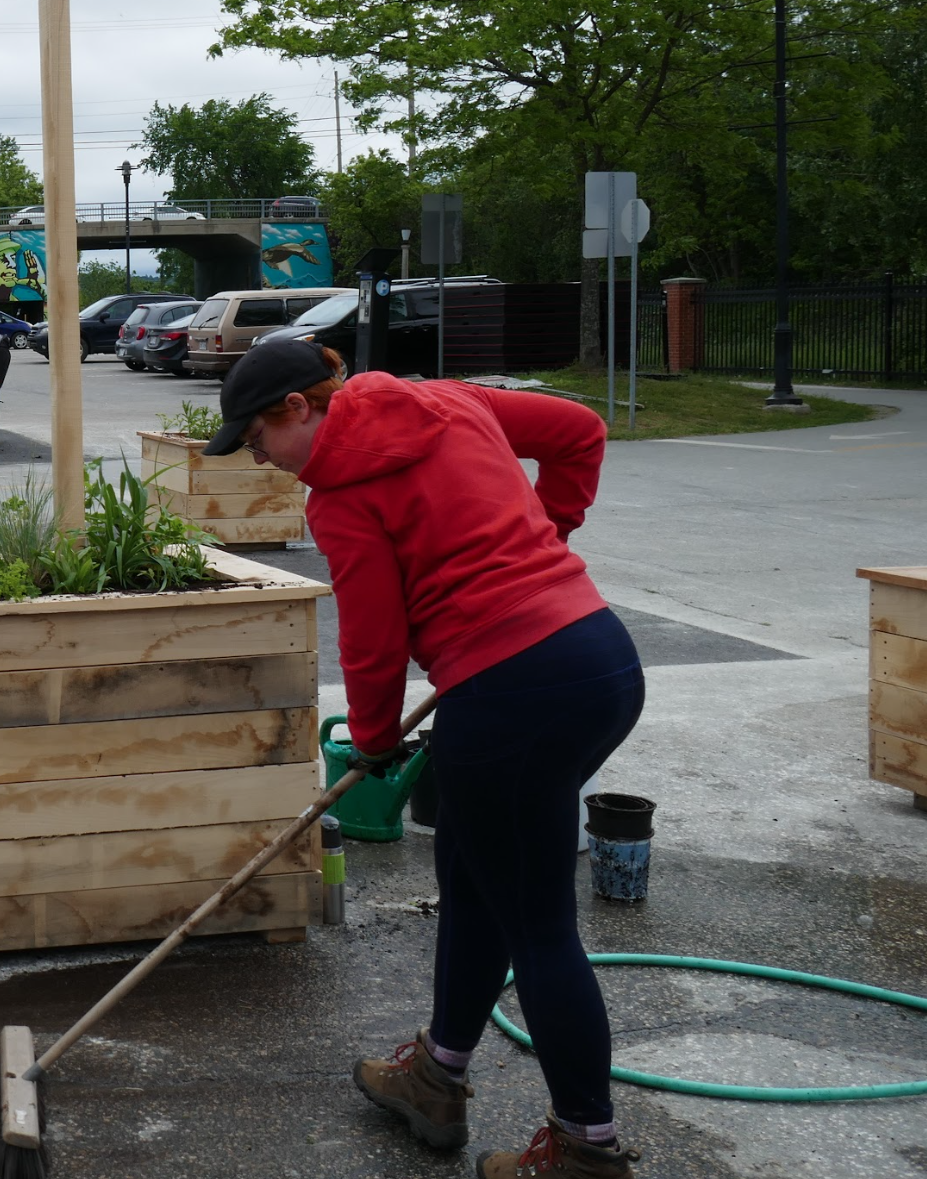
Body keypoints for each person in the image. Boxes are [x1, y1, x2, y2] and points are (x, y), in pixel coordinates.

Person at [205, 340, 643, 1179]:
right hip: (598, 661)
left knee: (538, 925)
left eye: (259, 440)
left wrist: (372, 738)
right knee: (473, 879)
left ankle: (585, 1150)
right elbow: (580, 432)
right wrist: (549, 530)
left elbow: (375, 641)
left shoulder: (340, 496)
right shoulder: (445, 400)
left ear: (298, 406)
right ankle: (436, 1077)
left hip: (513, 694)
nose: (260, 459)